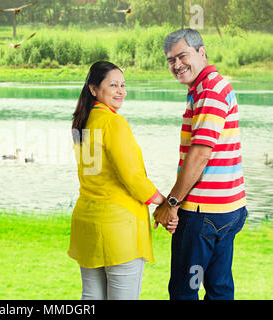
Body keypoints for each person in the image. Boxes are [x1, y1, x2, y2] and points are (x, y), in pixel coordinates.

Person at [154, 29, 248, 300]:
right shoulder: (211, 87)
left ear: (201, 52)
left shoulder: (209, 91)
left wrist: (171, 204)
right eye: (170, 60)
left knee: (185, 291)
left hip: (202, 214)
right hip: (227, 209)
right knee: (219, 289)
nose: (176, 65)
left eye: (182, 56)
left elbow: (199, 156)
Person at [68, 61, 172, 300]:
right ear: (93, 89)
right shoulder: (114, 123)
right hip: (118, 229)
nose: (120, 91)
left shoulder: (82, 122)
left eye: (123, 85)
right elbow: (132, 177)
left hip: (88, 222)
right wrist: (164, 202)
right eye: (113, 85)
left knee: (92, 297)